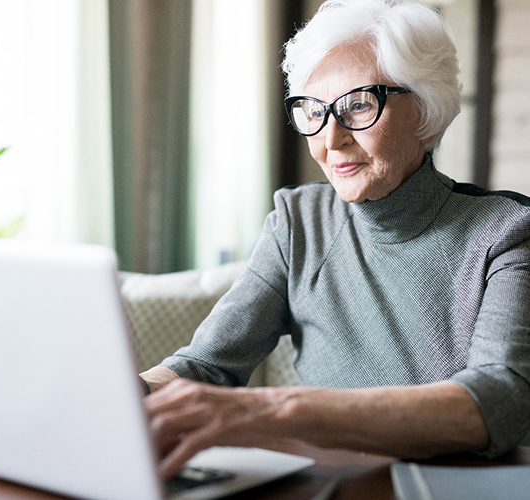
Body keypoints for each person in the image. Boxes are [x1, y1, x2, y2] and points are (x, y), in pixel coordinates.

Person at [142, 0, 530, 479]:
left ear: (426, 108)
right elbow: (205, 366)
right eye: (314, 110)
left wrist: (274, 412)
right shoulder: (298, 221)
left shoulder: (507, 233)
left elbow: (499, 398)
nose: (331, 139)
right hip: (327, 488)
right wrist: (122, 397)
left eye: (359, 105)